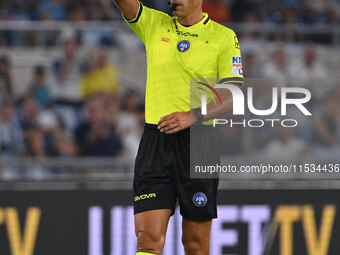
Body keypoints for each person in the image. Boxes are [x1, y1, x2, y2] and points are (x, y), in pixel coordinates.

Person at [111, 0, 243, 253]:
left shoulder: (223, 37)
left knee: (194, 243)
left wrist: (192, 116)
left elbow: (233, 94)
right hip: (155, 142)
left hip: (198, 144)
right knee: (148, 239)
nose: (173, 0)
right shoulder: (154, 24)